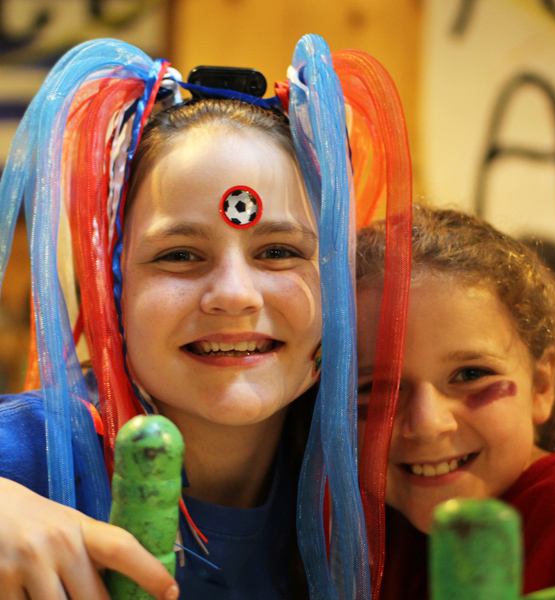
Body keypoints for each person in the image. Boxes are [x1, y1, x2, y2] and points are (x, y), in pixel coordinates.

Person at [0, 37, 356, 600]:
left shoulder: (363, 486)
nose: (235, 295)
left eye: (279, 252)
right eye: (180, 256)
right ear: (110, 290)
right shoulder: (27, 455)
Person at [355, 206, 555, 597]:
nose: (427, 423)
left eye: (471, 375)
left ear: (541, 384)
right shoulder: (375, 532)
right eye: (377, 389)